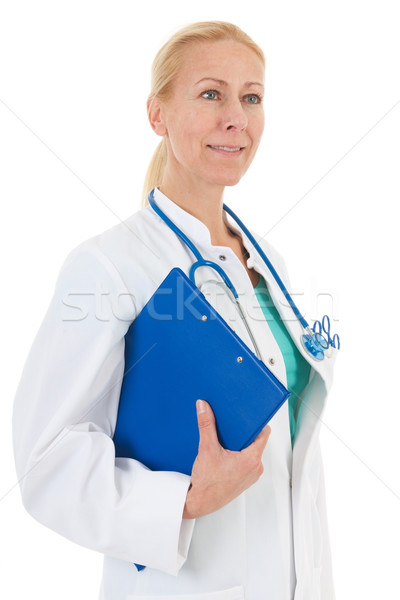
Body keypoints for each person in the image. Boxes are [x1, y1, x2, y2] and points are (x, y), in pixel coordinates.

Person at [12, 20, 338, 600]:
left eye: (251, 97)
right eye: (211, 93)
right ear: (157, 115)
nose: (235, 116)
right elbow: (45, 463)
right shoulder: (108, 265)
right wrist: (184, 501)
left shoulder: (271, 266)